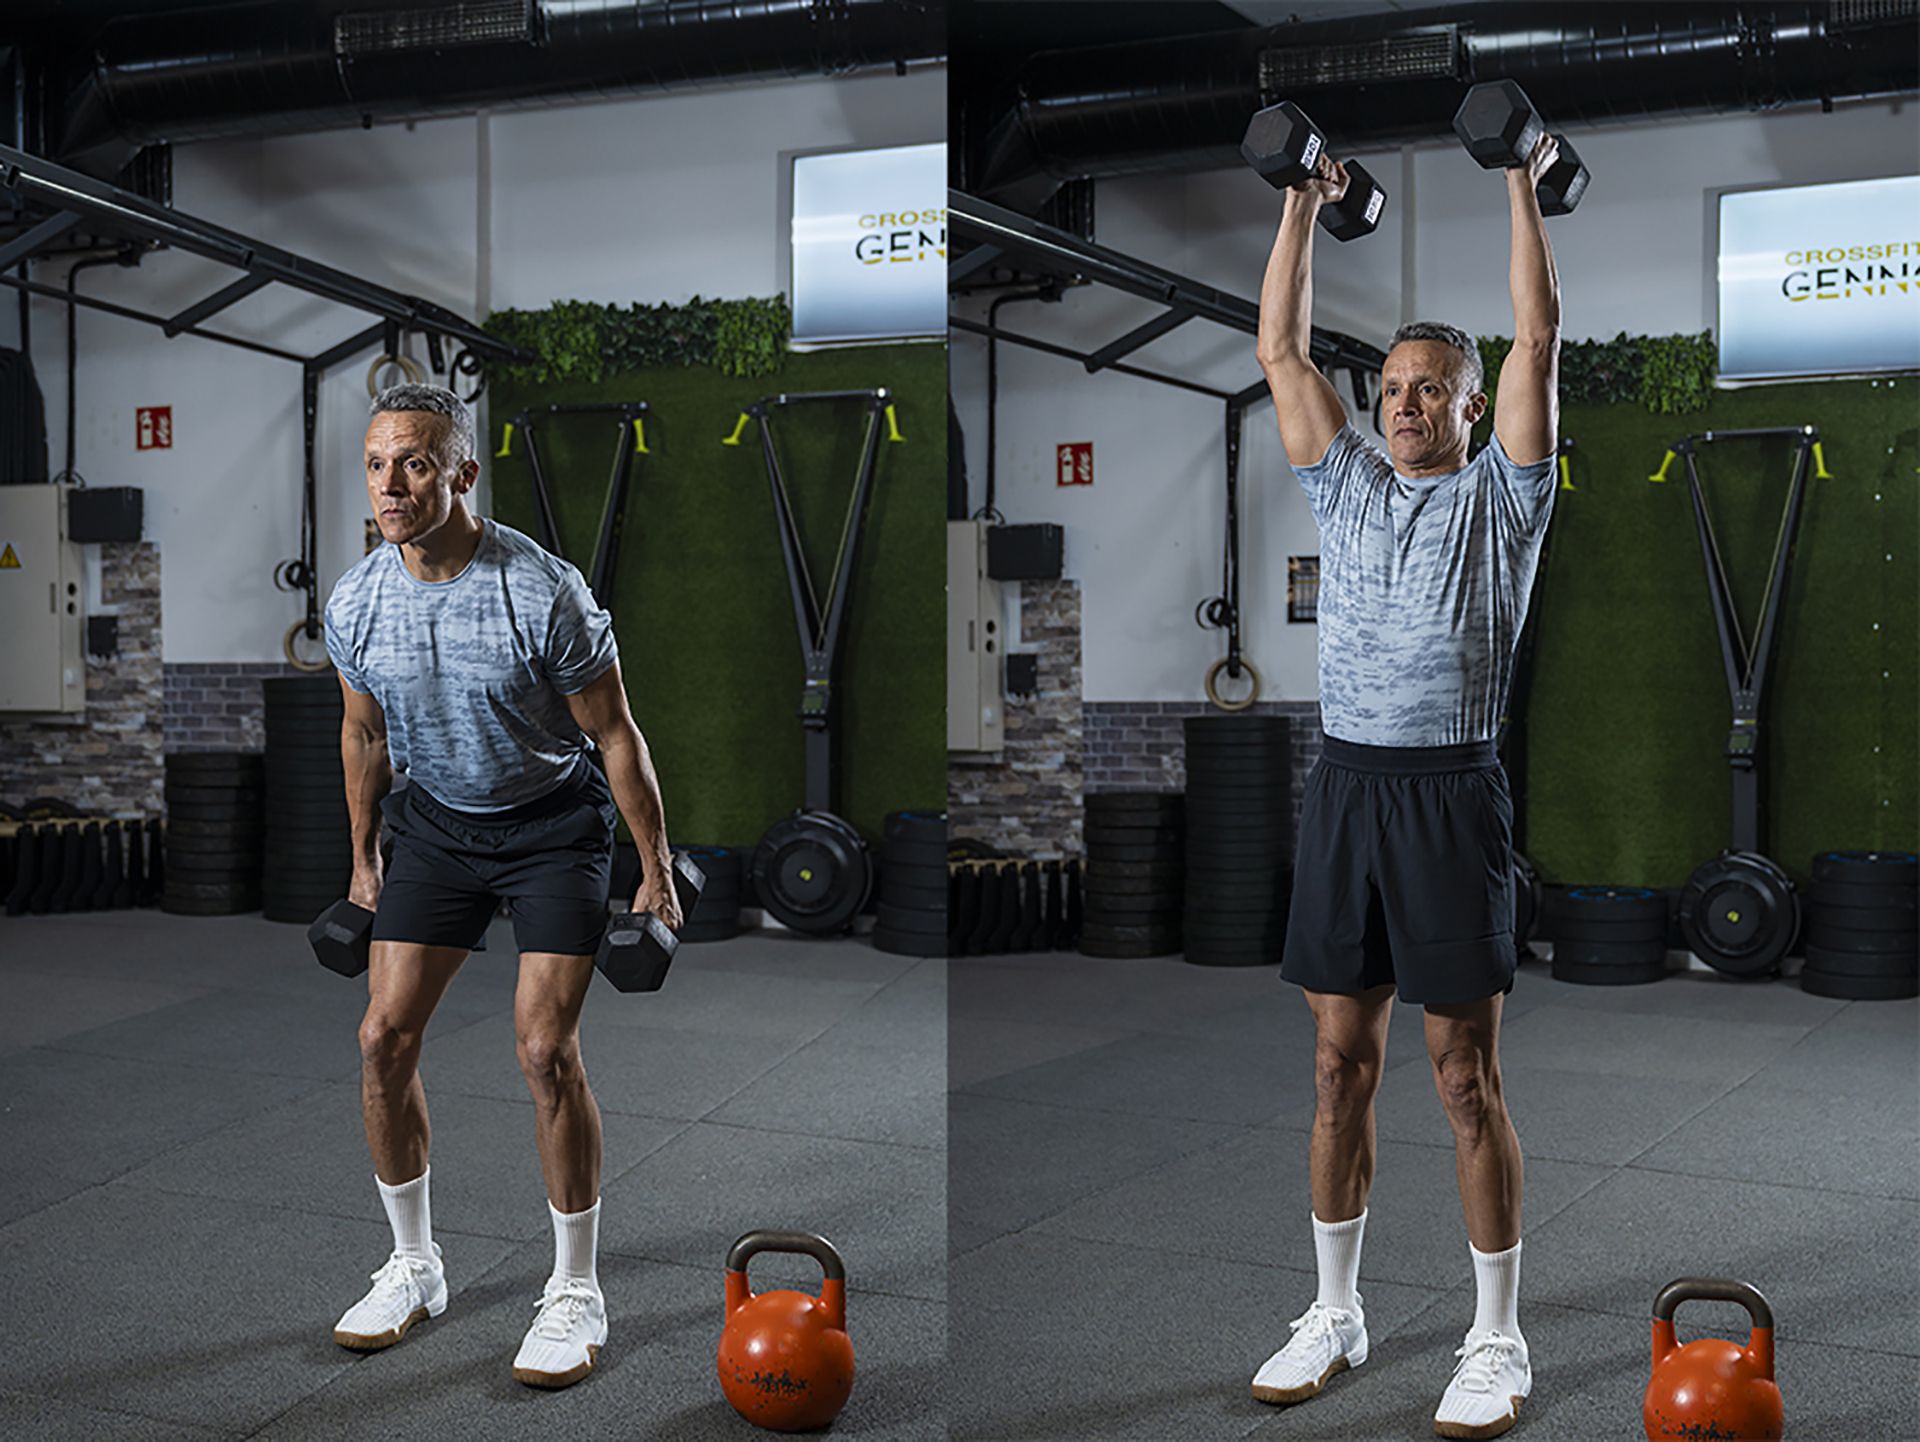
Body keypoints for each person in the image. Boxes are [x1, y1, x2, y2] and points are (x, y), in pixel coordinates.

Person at [1247, 134, 1563, 1440]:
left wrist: (1517, 179)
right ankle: (1338, 1308)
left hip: (1449, 798)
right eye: (1395, 387)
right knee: (1337, 1065)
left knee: (1462, 1075)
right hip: (1348, 794)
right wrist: (1296, 206)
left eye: (1433, 389)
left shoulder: (1507, 500)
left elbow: (1536, 338)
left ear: (1474, 410)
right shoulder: (1350, 491)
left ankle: (1498, 1335)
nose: (1406, 403)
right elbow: (1278, 349)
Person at [322, 382, 683, 1389]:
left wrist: (654, 870)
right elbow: (362, 731)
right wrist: (362, 857)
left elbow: (614, 731)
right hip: (435, 822)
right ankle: (416, 1263)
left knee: (542, 1047)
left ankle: (575, 1287)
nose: (392, 484)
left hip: (549, 826)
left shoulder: (543, 589)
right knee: (380, 1036)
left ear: (463, 472)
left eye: (418, 463)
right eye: (378, 464)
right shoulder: (356, 598)